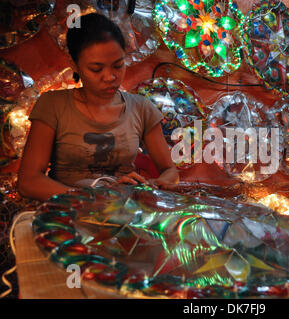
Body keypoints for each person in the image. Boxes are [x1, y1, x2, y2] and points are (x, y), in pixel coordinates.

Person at [18, 13, 179, 201]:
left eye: (118, 65)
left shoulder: (141, 108)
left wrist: (154, 184)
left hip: (123, 212)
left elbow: (170, 171)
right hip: (69, 215)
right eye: (96, 69)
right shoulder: (53, 105)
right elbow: (28, 182)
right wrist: (93, 198)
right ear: (74, 65)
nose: (110, 77)